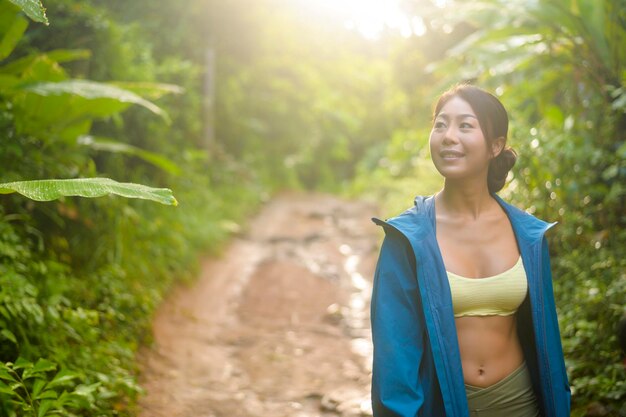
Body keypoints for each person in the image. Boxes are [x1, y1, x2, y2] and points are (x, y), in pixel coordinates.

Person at [370, 84, 571, 416]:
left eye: (465, 125)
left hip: (520, 403)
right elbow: (396, 357)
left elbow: (549, 344)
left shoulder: (529, 235)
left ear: (495, 146)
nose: (449, 136)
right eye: (440, 124)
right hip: (443, 406)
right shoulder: (407, 238)